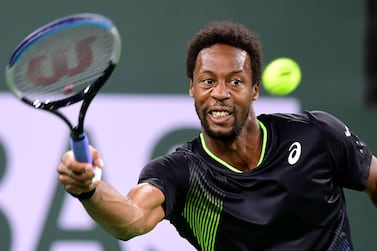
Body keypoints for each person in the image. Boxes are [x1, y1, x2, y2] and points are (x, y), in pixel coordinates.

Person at [57, 21, 377, 251]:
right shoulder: (181, 173)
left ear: (254, 90)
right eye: (208, 81)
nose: (219, 93)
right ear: (193, 89)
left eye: (234, 82)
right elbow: (131, 219)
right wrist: (90, 189)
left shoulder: (316, 136)